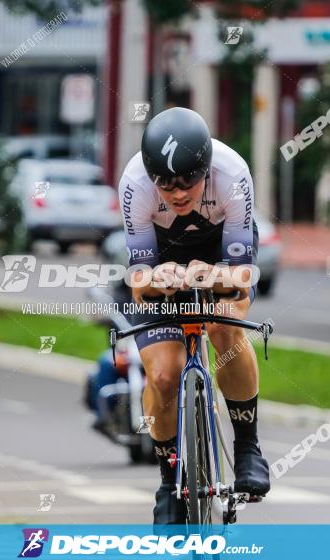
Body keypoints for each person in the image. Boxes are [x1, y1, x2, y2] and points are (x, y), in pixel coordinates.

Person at [117, 107, 269, 524]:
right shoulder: (134, 184)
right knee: (164, 375)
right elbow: (138, 284)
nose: (177, 193)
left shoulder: (232, 174)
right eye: (165, 182)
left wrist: (215, 274)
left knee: (222, 321)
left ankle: (247, 448)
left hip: (221, 250)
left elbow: (241, 276)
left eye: (188, 180)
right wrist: (156, 278)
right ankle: (169, 483)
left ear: (206, 168)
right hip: (163, 254)